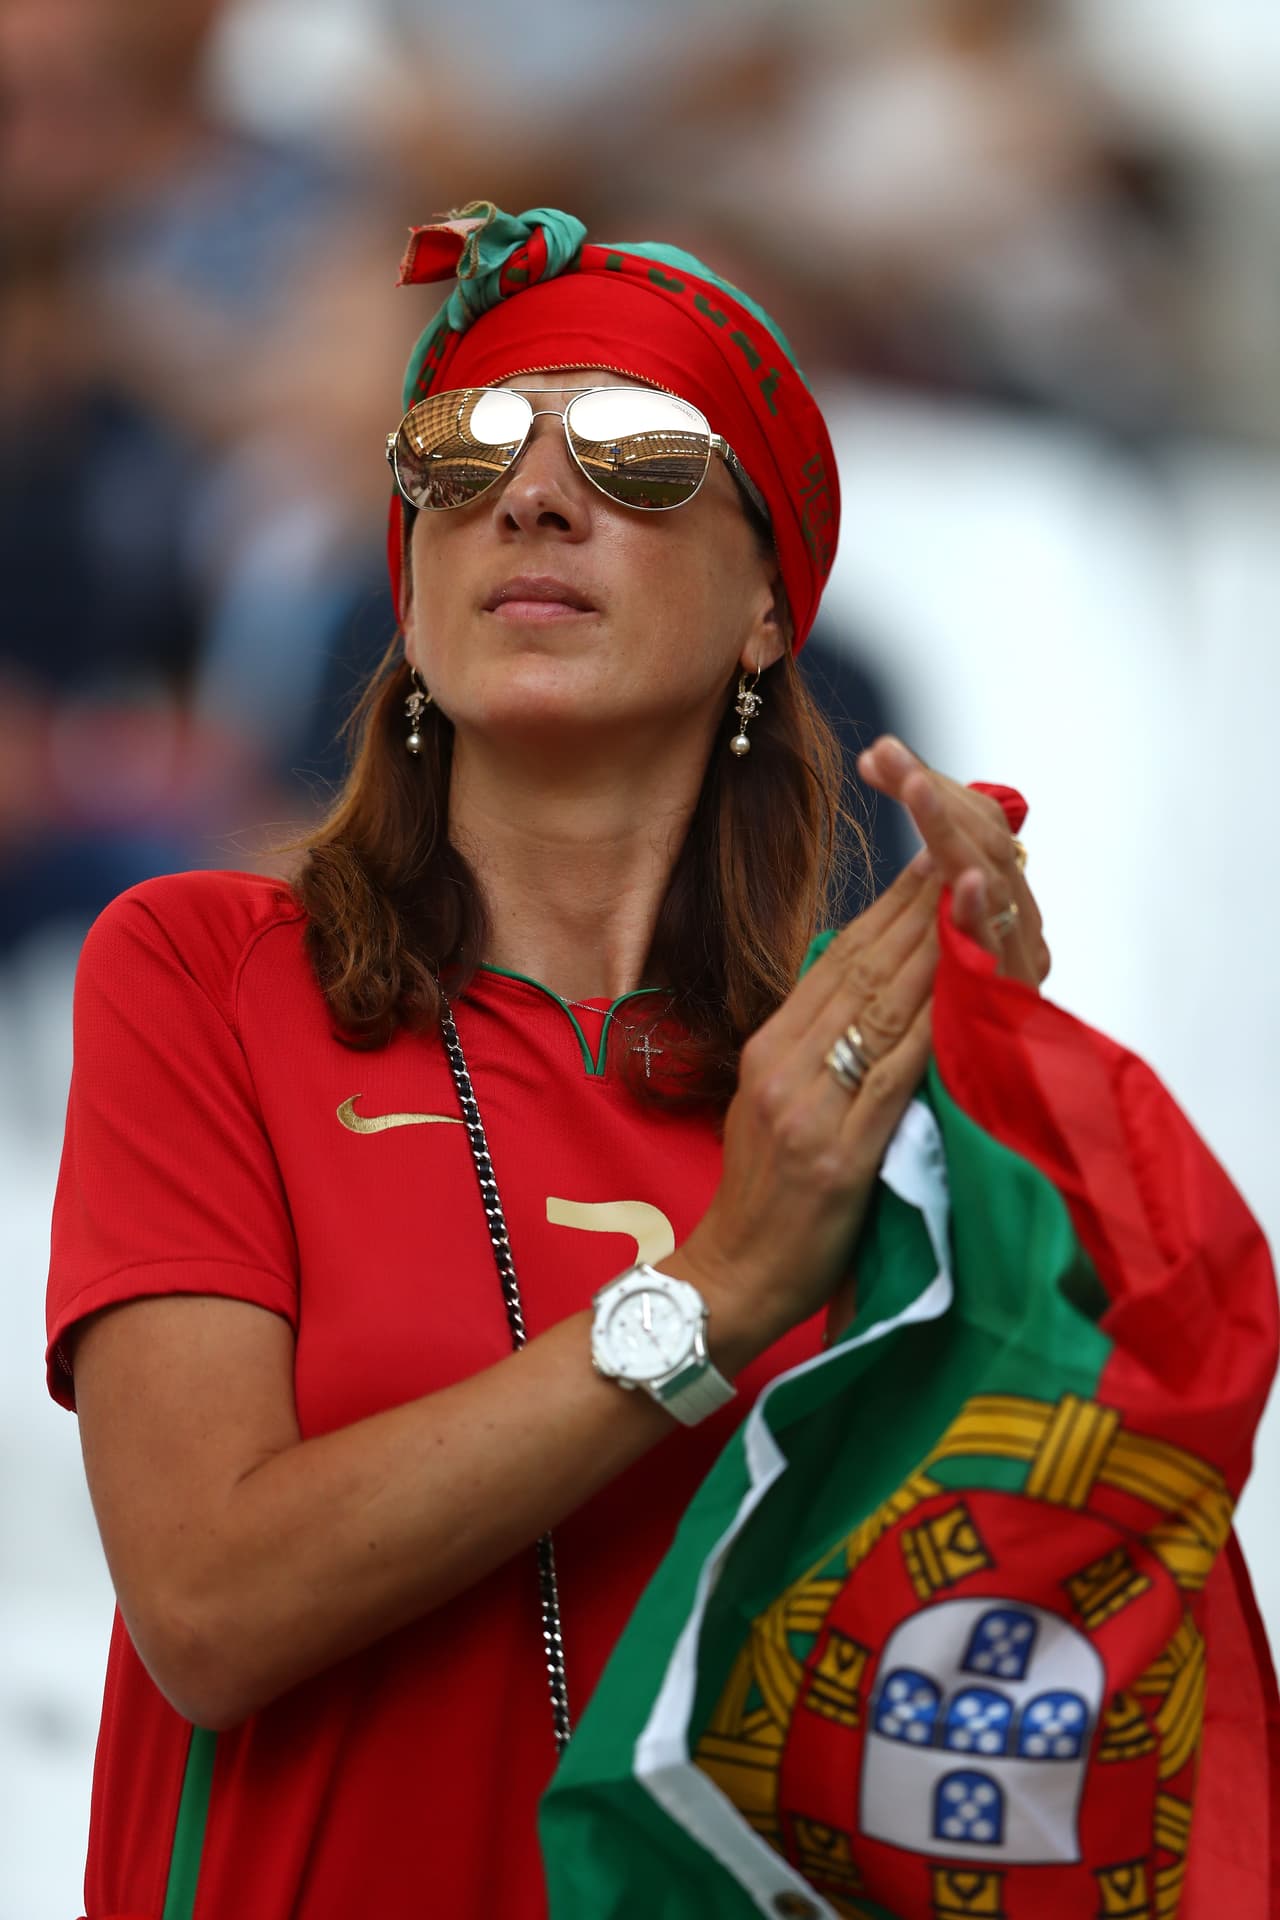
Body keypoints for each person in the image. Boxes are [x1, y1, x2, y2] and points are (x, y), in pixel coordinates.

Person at [45, 202, 1047, 1920]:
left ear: (764, 605)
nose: (531, 493)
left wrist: (1028, 1127)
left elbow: (1004, 1654)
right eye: (462, 449)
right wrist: (722, 1285)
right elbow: (206, 1608)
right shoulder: (201, 973)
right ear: (414, 596)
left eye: (643, 457)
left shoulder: (860, 1052)